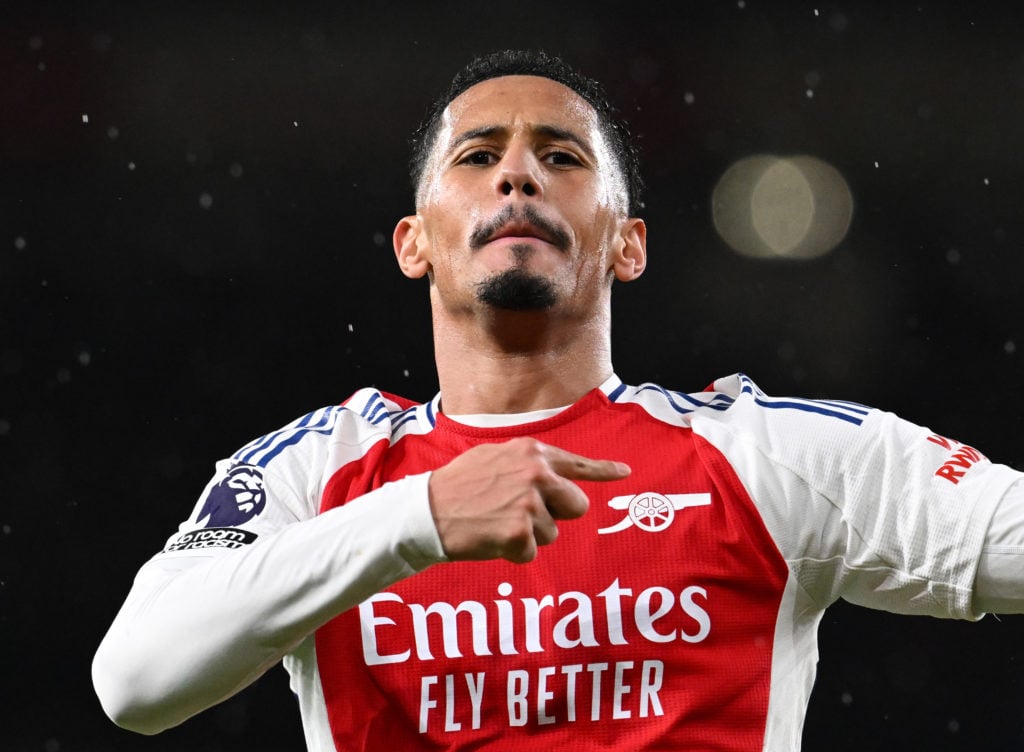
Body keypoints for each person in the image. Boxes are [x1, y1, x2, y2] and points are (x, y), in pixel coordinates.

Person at [92, 49, 1024, 751]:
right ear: (415, 243)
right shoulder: (319, 471)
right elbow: (135, 681)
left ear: (628, 245)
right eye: (479, 154)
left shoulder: (763, 457)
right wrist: (416, 518)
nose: (518, 173)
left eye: (563, 157)